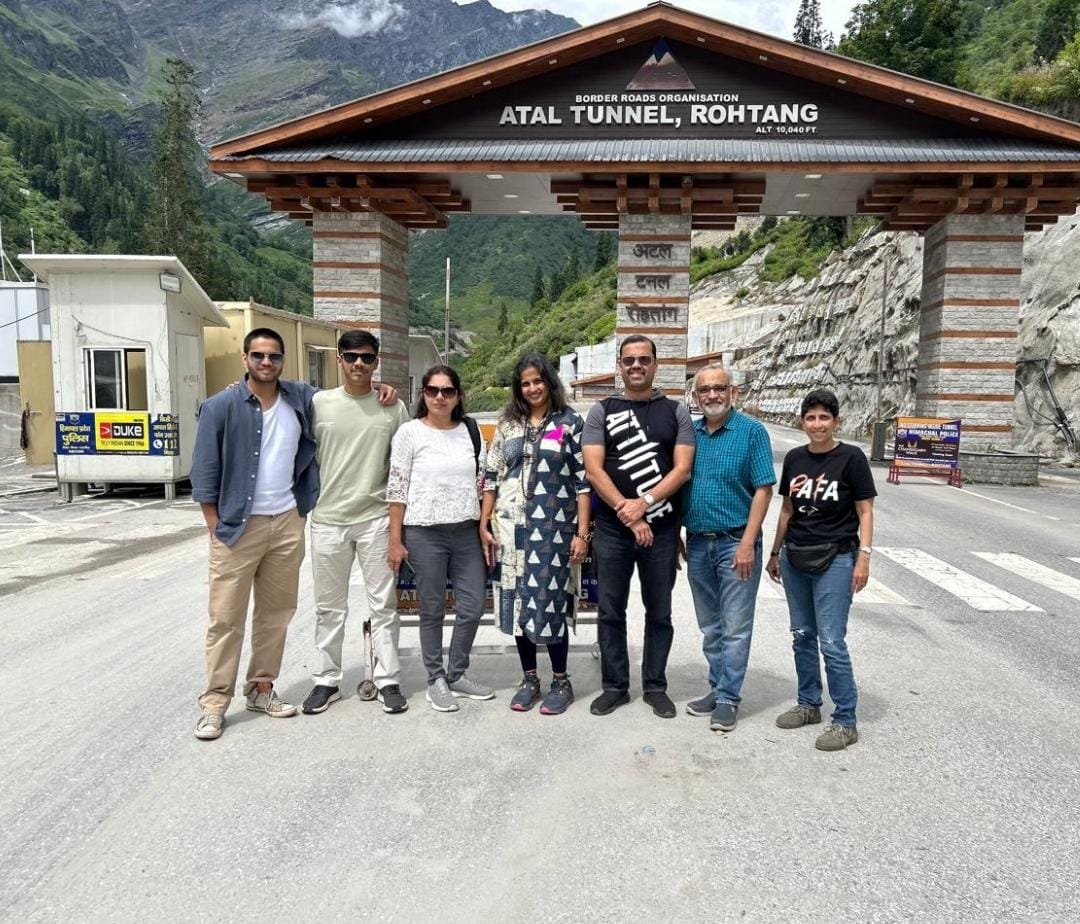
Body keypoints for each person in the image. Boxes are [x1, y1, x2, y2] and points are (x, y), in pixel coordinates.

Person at [582, 334, 695, 718]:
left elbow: (682, 469)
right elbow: (594, 469)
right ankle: (614, 685)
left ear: (655, 364)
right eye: (629, 360)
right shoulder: (602, 410)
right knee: (611, 610)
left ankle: (655, 686)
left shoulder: (676, 412)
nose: (636, 366)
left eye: (643, 360)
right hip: (612, 531)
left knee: (659, 611)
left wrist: (644, 505)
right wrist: (627, 512)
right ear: (620, 364)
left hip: (662, 530)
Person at [302, 330, 411, 716]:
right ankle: (326, 680)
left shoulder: (393, 409)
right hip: (328, 520)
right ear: (338, 359)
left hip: (376, 519)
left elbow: (405, 463)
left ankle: (387, 679)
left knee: (384, 605)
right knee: (329, 608)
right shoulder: (318, 404)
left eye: (366, 357)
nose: (358, 364)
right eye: (350, 356)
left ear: (377, 360)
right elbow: (272, 396)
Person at [479, 353, 591, 715]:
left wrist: (582, 533)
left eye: (538, 381)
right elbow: (491, 475)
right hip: (510, 529)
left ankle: (561, 680)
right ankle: (529, 679)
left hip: (553, 530)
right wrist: (485, 522)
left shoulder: (569, 422)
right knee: (515, 602)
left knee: (551, 601)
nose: (532, 388)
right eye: (525, 383)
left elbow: (583, 482)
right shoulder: (508, 424)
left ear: (550, 382)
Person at [766, 388, 876, 752]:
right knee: (801, 634)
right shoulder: (796, 459)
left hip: (837, 557)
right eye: (811, 418)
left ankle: (845, 720)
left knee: (831, 640)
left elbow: (865, 511)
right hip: (796, 556)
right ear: (802, 422)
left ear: (836, 421)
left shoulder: (851, 459)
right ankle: (809, 704)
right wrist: (775, 552)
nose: (817, 424)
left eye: (824, 418)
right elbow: (786, 510)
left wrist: (864, 557)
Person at [387, 365, 494, 713]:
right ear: (423, 394)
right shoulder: (409, 433)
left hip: (465, 530)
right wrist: (395, 538)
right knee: (431, 608)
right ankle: (436, 679)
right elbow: (397, 487)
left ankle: (457, 673)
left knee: (473, 604)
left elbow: (484, 480)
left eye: (447, 391)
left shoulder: (471, 431)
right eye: (432, 390)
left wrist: (484, 524)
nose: (439, 397)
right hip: (423, 532)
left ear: (458, 396)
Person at [683, 363, 775, 733]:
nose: (712, 396)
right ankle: (716, 686)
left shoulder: (751, 432)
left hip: (736, 541)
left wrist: (749, 543)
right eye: (704, 390)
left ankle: (728, 698)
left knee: (735, 625)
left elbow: (763, 489)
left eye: (719, 388)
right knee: (711, 625)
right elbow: (680, 485)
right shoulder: (691, 435)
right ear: (695, 396)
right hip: (698, 542)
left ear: (732, 392)